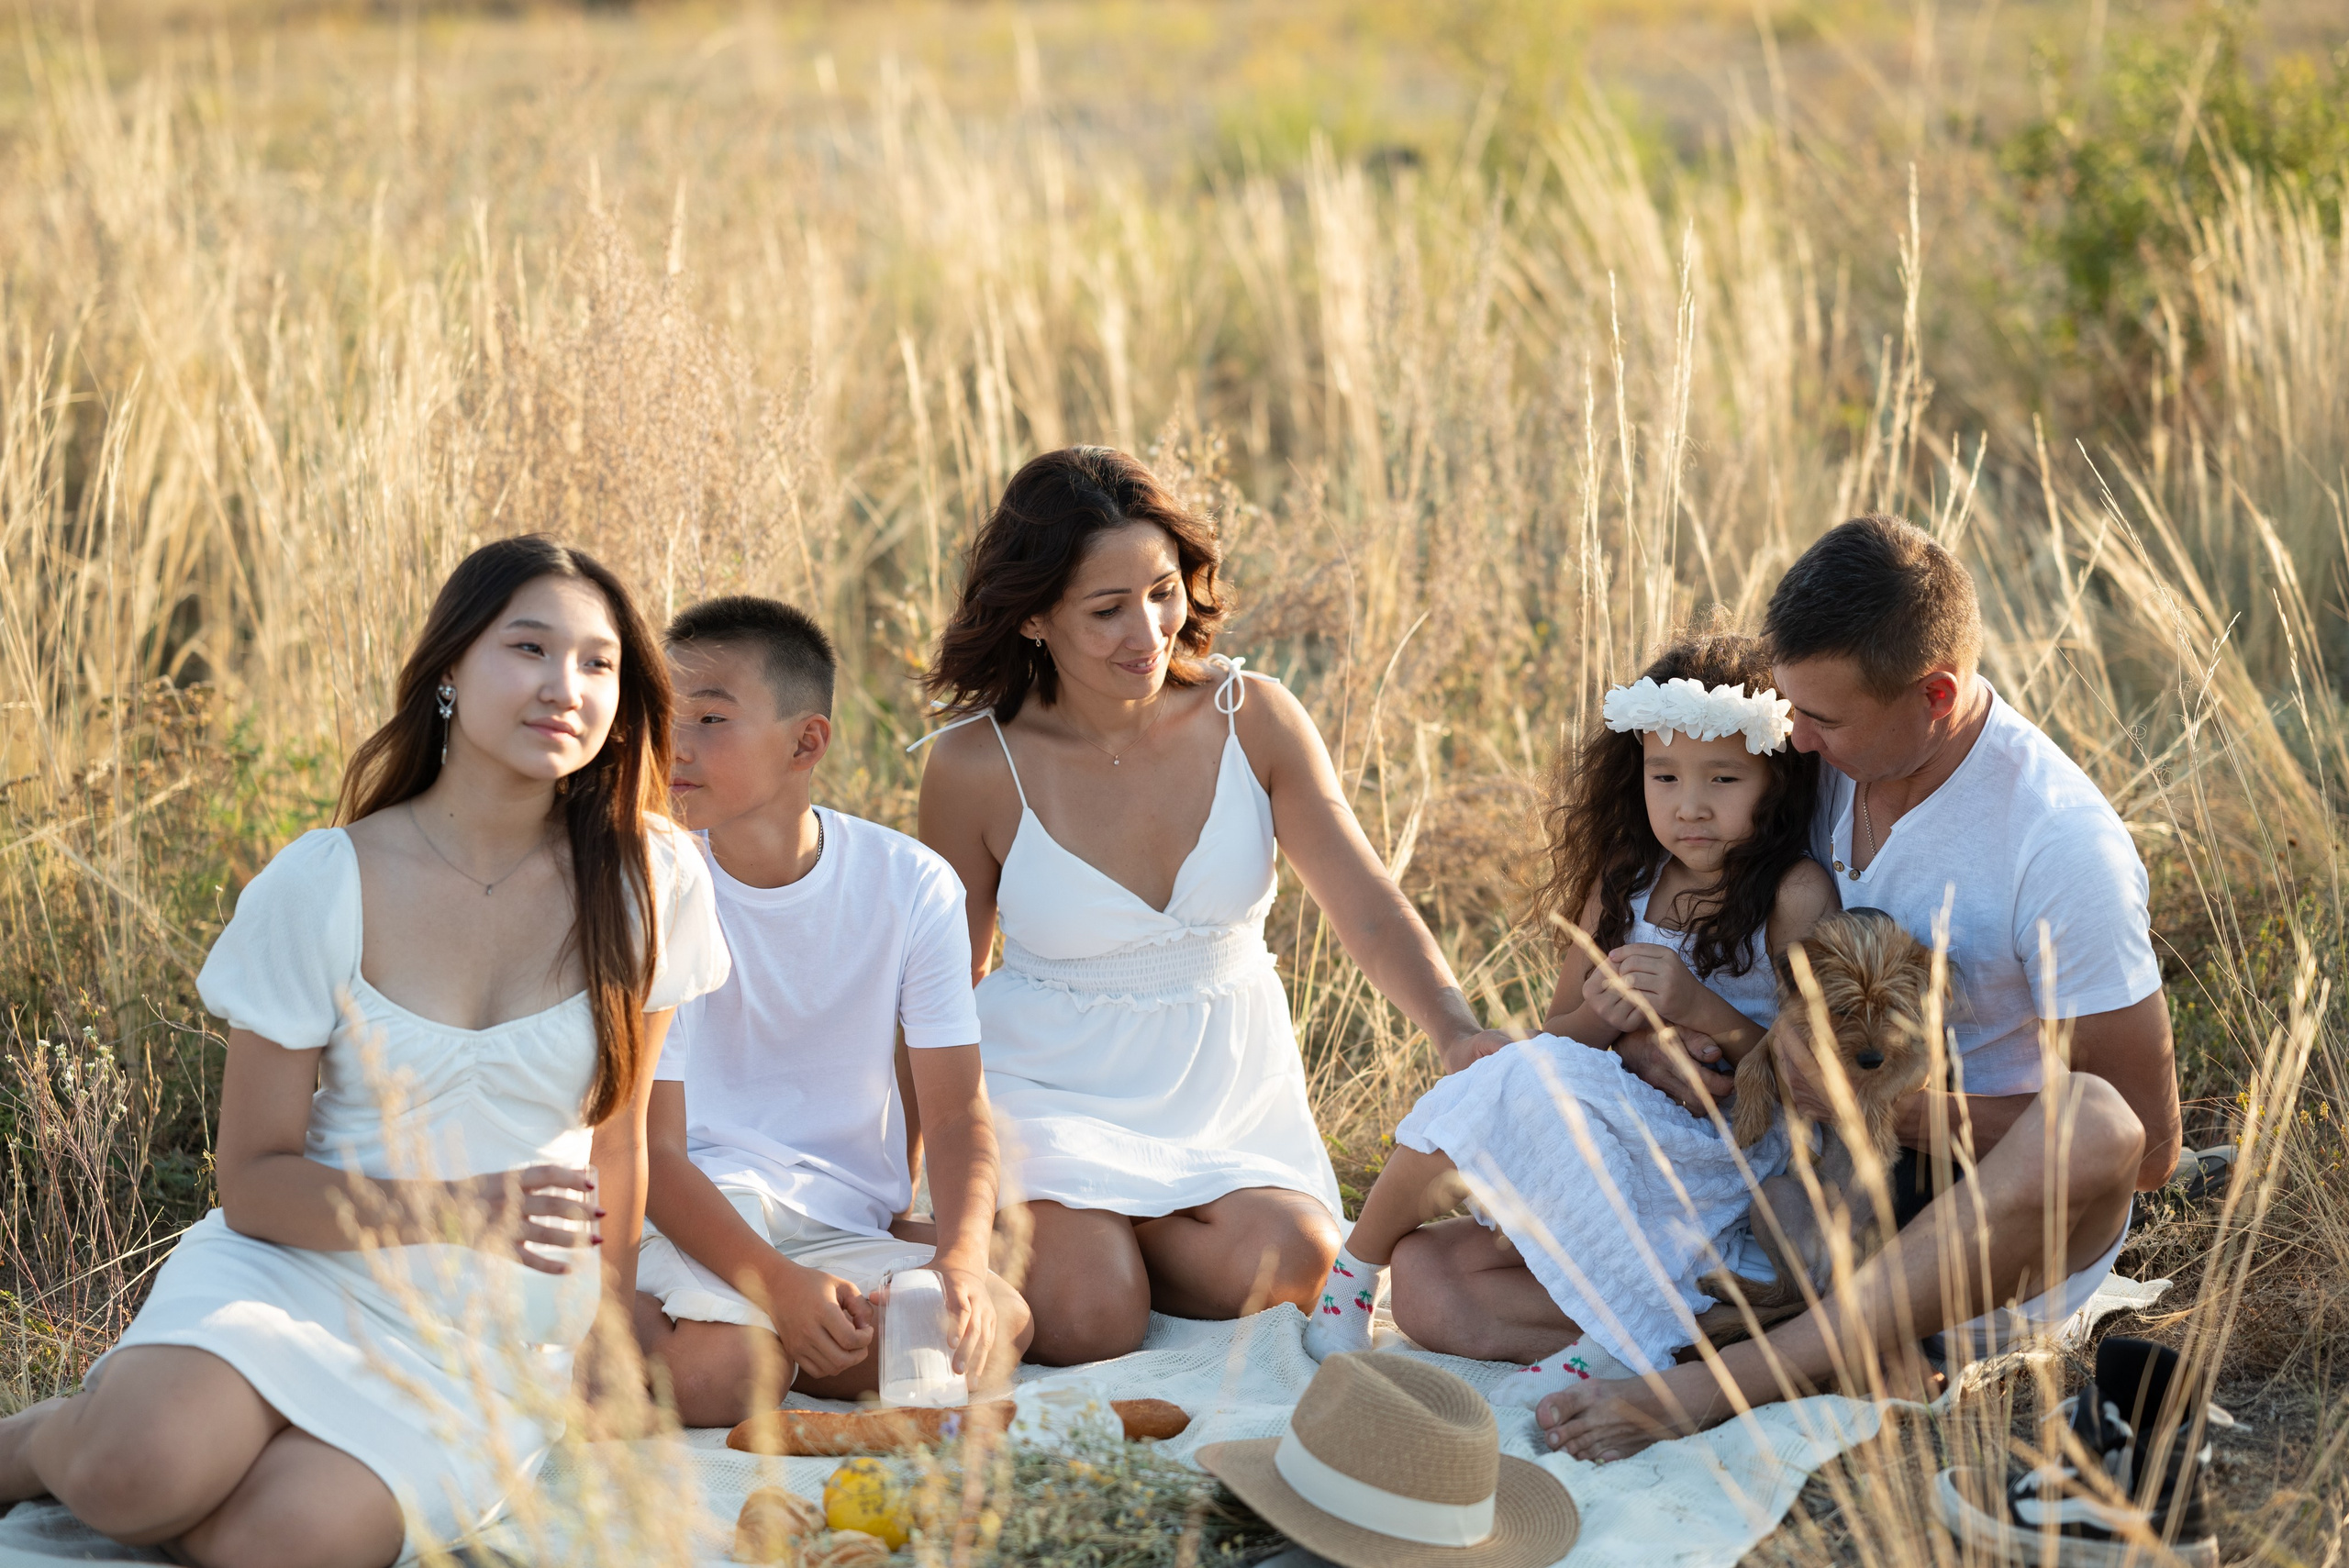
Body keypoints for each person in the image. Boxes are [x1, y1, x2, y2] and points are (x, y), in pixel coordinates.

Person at [0, 538, 730, 1566]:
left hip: (491, 1320)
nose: (564, 686)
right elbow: (253, 1180)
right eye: (528, 647)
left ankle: (237, 1460)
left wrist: (608, 1319)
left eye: (598, 662)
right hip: (296, 1263)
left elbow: (621, 1142)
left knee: (282, 1540)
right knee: (138, 1471)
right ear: (448, 669)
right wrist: (459, 1204)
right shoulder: (323, 880)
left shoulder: (651, 877)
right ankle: (42, 1438)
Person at [1541, 514, 2183, 1462]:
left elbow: (2146, 1143)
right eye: (1791, 707)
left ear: (1933, 696)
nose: (1791, 735)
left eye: (1821, 718)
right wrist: (1656, 1038)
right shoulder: (1820, 762)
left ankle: (1723, 1383)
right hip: (1787, 1182)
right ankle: (1835, 1350)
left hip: (1970, 1219)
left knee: (2090, 1117)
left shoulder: (2056, 845)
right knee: (1443, 1290)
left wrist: (1907, 1112)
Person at [916, 446, 1512, 1365]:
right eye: (1107, 609)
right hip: (1049, 1085)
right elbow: (943, 982)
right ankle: (1087, 1243)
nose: (1149, 630)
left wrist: (1455, 1030)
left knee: (1303, 1265)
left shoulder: (1255, 715)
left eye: (1162, 590)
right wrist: (907, 1159)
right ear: (1034, 617)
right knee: (1088, 1317)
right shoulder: (971, 765)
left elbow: (1365, 901)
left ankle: (1129, 1233)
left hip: (1224, 1093)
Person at [1307, 627, 1835, 1387]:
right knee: (1422, 1279)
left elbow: (1810, 1079)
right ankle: (1358, 1276)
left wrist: (1699, 1007)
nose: (1690, 806)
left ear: (1775, 782)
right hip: (1610, 1133)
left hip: (1715, 1159)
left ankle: (1623, 1341)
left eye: (1722, 780)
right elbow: (1563, 1037)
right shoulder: (1628, 878)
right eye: (1665, 777)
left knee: (1514, 1076)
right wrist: (1609, 1017)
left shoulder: (1793, 894)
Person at [631, 596, 1031, 1422]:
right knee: (726, 1375)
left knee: (999, 1320)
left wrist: (957, 1261)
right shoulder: (655, 880)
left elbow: (958, 1114)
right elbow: (656, 1151)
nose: (676, 745)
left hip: (836, 1214)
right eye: (666, 717)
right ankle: (668, 1325)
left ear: (806, 741)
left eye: (710, 718)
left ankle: (795, 1334)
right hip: (701, 1207)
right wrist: (778, 1286)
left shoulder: (912, 885)